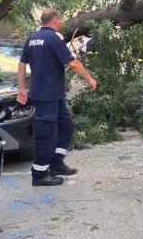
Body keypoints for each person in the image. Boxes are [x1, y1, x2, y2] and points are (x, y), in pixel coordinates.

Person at [17, 9, 97, 187]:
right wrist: (90, 79)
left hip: (53, 95)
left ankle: (56, 163)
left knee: (66, 126)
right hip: (46, 95)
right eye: (60, 19)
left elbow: (22, 64)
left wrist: (22, 88)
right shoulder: (54, 38)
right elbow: (73, 63)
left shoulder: (32, 38)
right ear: (56, 21)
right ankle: (39, 175)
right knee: (47, 134)